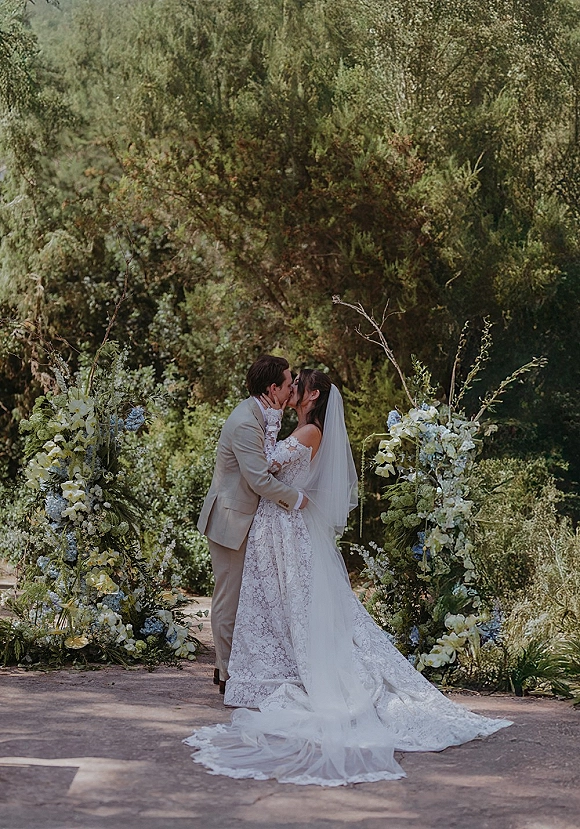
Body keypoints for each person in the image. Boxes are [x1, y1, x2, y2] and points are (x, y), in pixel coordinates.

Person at [186, 370, 512, 786]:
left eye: (296, 385)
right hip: (275, 528)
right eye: (288, 384)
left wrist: (278, 455)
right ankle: (245, 670)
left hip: (285, 526)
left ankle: (259, 671)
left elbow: (265, 468)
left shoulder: (307, 432)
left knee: (291, 604)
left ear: (312, 395)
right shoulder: (298, 426)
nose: (291, 391)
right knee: (271, 604)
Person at [197, 355, 308, 694]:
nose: (293, 389)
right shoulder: (247, 421)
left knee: (245, 599)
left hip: (249, 520)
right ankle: (226, 674)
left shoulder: (265, 414)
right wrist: (300, 501)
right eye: (289, 384)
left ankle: (231, 668)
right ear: (272, 388)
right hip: (232, 521)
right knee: (228, 599)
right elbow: (259, 480)